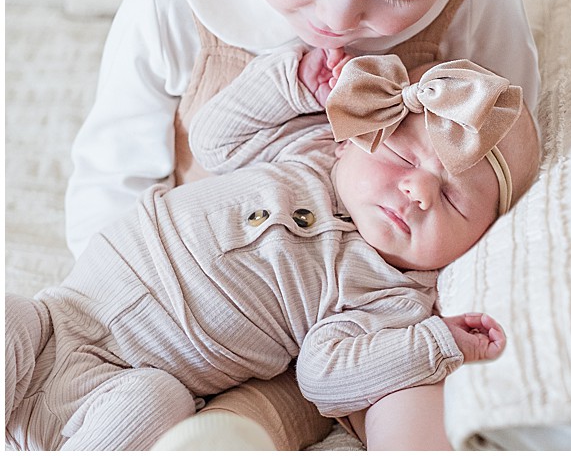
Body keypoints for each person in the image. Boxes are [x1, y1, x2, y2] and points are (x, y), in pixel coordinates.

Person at [62, 0, 535, 449]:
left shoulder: (477, 0)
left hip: (344, 309)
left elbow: (511, 154)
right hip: (176, 283)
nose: (339, 16)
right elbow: (113, 166)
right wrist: (115, 303)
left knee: (393, 384)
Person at [7, 49, 541, 451]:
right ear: (356, 136)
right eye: (403, 157)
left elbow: (323, 377)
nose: (419, 191)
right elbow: (214, 138)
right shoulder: (306, 148)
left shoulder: (391, 296)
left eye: (452, 199)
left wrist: (432, 344)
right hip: (52, 319)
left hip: (125, 383)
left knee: (160, 408)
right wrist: (292, 81)